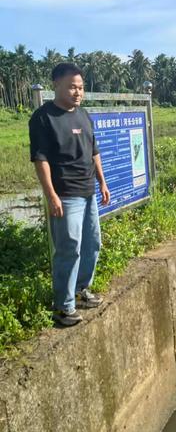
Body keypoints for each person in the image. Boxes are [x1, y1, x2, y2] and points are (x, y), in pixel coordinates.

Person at [29, 63, 110, 326]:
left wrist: (102, 181)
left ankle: (81, 289)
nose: (77, 92)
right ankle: (63, 307)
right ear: (56, 86)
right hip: (66, 195)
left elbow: (93, 151)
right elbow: (40, 159)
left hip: (88, 192)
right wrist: (51, 195)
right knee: (68, 248)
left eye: (81, 87)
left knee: (92, 244)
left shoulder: (83, 115)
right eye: (72, 87)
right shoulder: (43, 118)